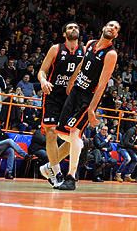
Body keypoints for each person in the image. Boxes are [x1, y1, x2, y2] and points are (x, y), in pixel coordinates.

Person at [54, 21, 119, 191]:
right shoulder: (90, 44)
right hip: (76, 90)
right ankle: (79, 147)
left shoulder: (111, 54)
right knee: (62, 132)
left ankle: (70, 177)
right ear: (103, 27)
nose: (112, 28)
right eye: (111, 25)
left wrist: (91, 109)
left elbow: (103, 83)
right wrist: (72, 80)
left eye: (116, 28)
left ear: (116, 35)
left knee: (74, 133)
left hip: (88, 97)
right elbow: (82, 65)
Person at [36, 22, 84, 187]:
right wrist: (43, 80)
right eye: (70, 27)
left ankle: (49, 166)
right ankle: (56, 173)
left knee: (74, 138)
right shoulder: (56, 49)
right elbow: (42, 71)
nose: (73, 29)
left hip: (73, 98)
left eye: (76, 28)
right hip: (53, 95)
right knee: (51, 132)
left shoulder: (84, 52)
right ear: (64, 33)